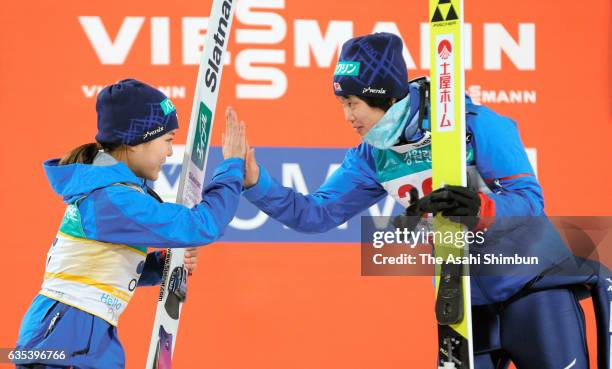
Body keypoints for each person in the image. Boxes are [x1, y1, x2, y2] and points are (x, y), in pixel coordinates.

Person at [234, 33, 610, 369]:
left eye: (352, 103)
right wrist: (256, 183)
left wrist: (481, 209)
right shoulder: (372, 155)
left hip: (532, 286)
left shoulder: (472, 123)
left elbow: (530, 202)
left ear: (381, 95)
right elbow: (315, 214)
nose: (347, 116)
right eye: (342, 104)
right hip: (463, 304)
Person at [14, 79, 247, 369]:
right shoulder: (115, 199)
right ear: (137, 141)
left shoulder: (115, 192)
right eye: (168, 139)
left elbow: (106, 267)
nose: (171, 152)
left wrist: (163, 265)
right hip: (65, 341)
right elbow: (201, 226)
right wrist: (232, 167)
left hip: (78, 337)